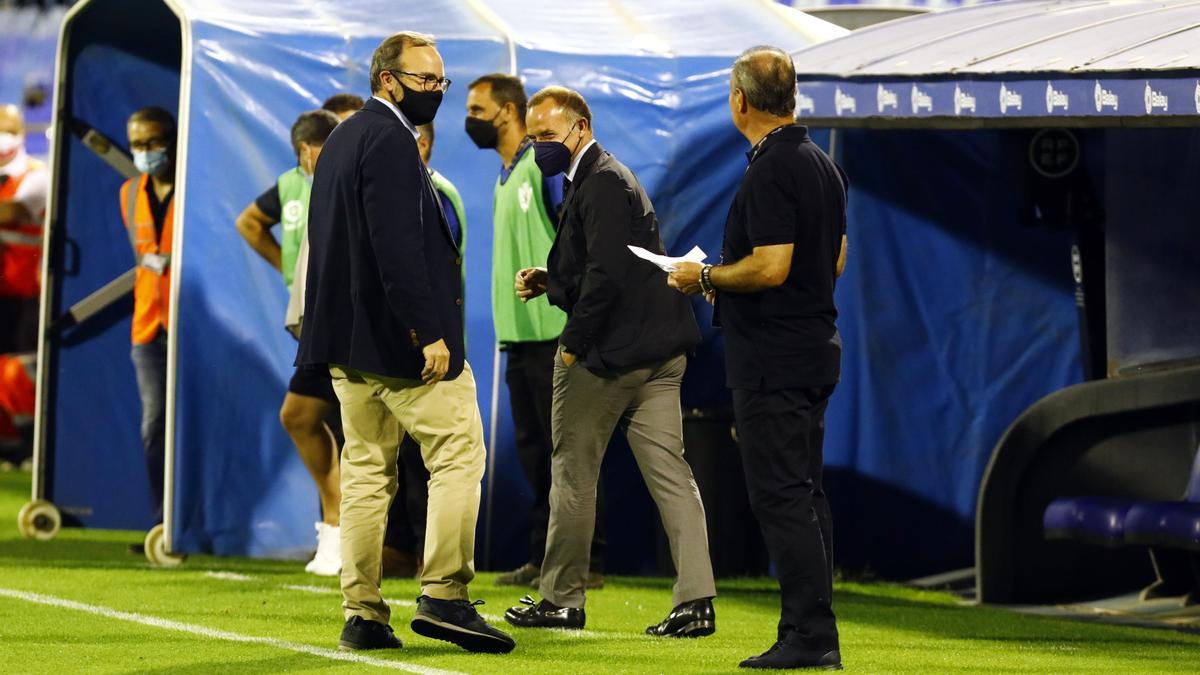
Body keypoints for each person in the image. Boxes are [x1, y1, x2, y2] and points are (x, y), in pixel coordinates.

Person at [297, 31, 514, 654]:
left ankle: (362, 612)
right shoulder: (391, 141)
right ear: (386, 80)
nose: (437, 92)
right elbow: (398, 250)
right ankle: (445, 595)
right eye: (425, 81)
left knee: (366, 471)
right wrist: (430, 333)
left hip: (346, 342)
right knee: (458, 456)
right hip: (399, 343)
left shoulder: (341, 138)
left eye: (441, 81)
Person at [503, 86, 716, 637]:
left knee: (572, 472)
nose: (537, 147)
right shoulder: (608, 177)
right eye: (531, 138)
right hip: (660, 352)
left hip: (610, 355)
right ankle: (696, 600)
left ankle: (561, 599)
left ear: (580, 127)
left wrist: (571, 342)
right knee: (672, 475)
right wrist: (553, 282)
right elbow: (613, 264)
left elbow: (606, 276)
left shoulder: (598, 181)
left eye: (546, 136)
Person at [667, 46, 849, 671]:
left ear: (740, 100)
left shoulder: (772, 168)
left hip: (775, 355)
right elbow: (835, 261)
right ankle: (812, 630)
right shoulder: (822, 164)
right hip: (814, 347)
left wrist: (706, 277)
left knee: (781, 496)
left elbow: (772, 266)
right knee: (805, 493)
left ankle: (809, 635)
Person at [465, 73, 605, 590]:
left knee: (568, 451)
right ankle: (544, 556)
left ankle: (588, 561)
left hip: (555, 331)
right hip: (519, 336)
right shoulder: (506, 172)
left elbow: (581, 242)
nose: (469, 120)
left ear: (507, 111)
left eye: (477, 110)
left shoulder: (542, 171)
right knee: (536, 454)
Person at [234, 109, 343, 576]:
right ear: (307, 150)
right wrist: (288, 271)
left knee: (340, 428)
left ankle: (346, 534)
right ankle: (339, 530)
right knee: (305, 418)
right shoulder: (290, 184)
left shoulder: (343, 182)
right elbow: (248, 222)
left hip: (341, 320)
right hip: (313, 320)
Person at [381, 121, 464, 578]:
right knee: (383, 457)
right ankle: (397, 549)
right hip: (388, 344)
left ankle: (430, 561)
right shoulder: (390, 191)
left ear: (424, 143)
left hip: (426, 344)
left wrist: (429, 335)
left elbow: (431, 269)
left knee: (429, 457)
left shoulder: (437, 194)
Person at [121, 106, 177, 547]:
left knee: (194, 421)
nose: (146, 152)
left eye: (153, 142)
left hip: (190, 325)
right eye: (137, 145)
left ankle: (190, 518)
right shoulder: (128, 193)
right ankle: (161, 520)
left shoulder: (194, 188)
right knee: (154, 421)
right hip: (146, 326)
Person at [0, 103, 48, 355]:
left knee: (14, 368)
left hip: (21, 293)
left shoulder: (36, 175)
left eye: (8, 129)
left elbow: (12, 212)